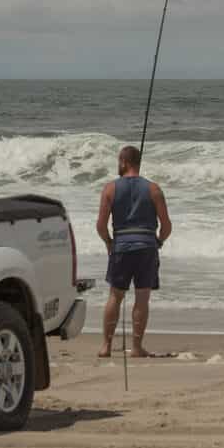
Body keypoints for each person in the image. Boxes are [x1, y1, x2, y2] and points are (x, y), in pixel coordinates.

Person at [96, 144, 172, 360]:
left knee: (115, 295)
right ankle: (136, 347)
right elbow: (166, 225)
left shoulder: (110, 189)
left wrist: (109, 242)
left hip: (121, 246)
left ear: (124, 162)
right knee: (142, 297)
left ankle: (106, 346)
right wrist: (158, 242)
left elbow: (101, 225)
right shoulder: (153, 189)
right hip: (146, 247)